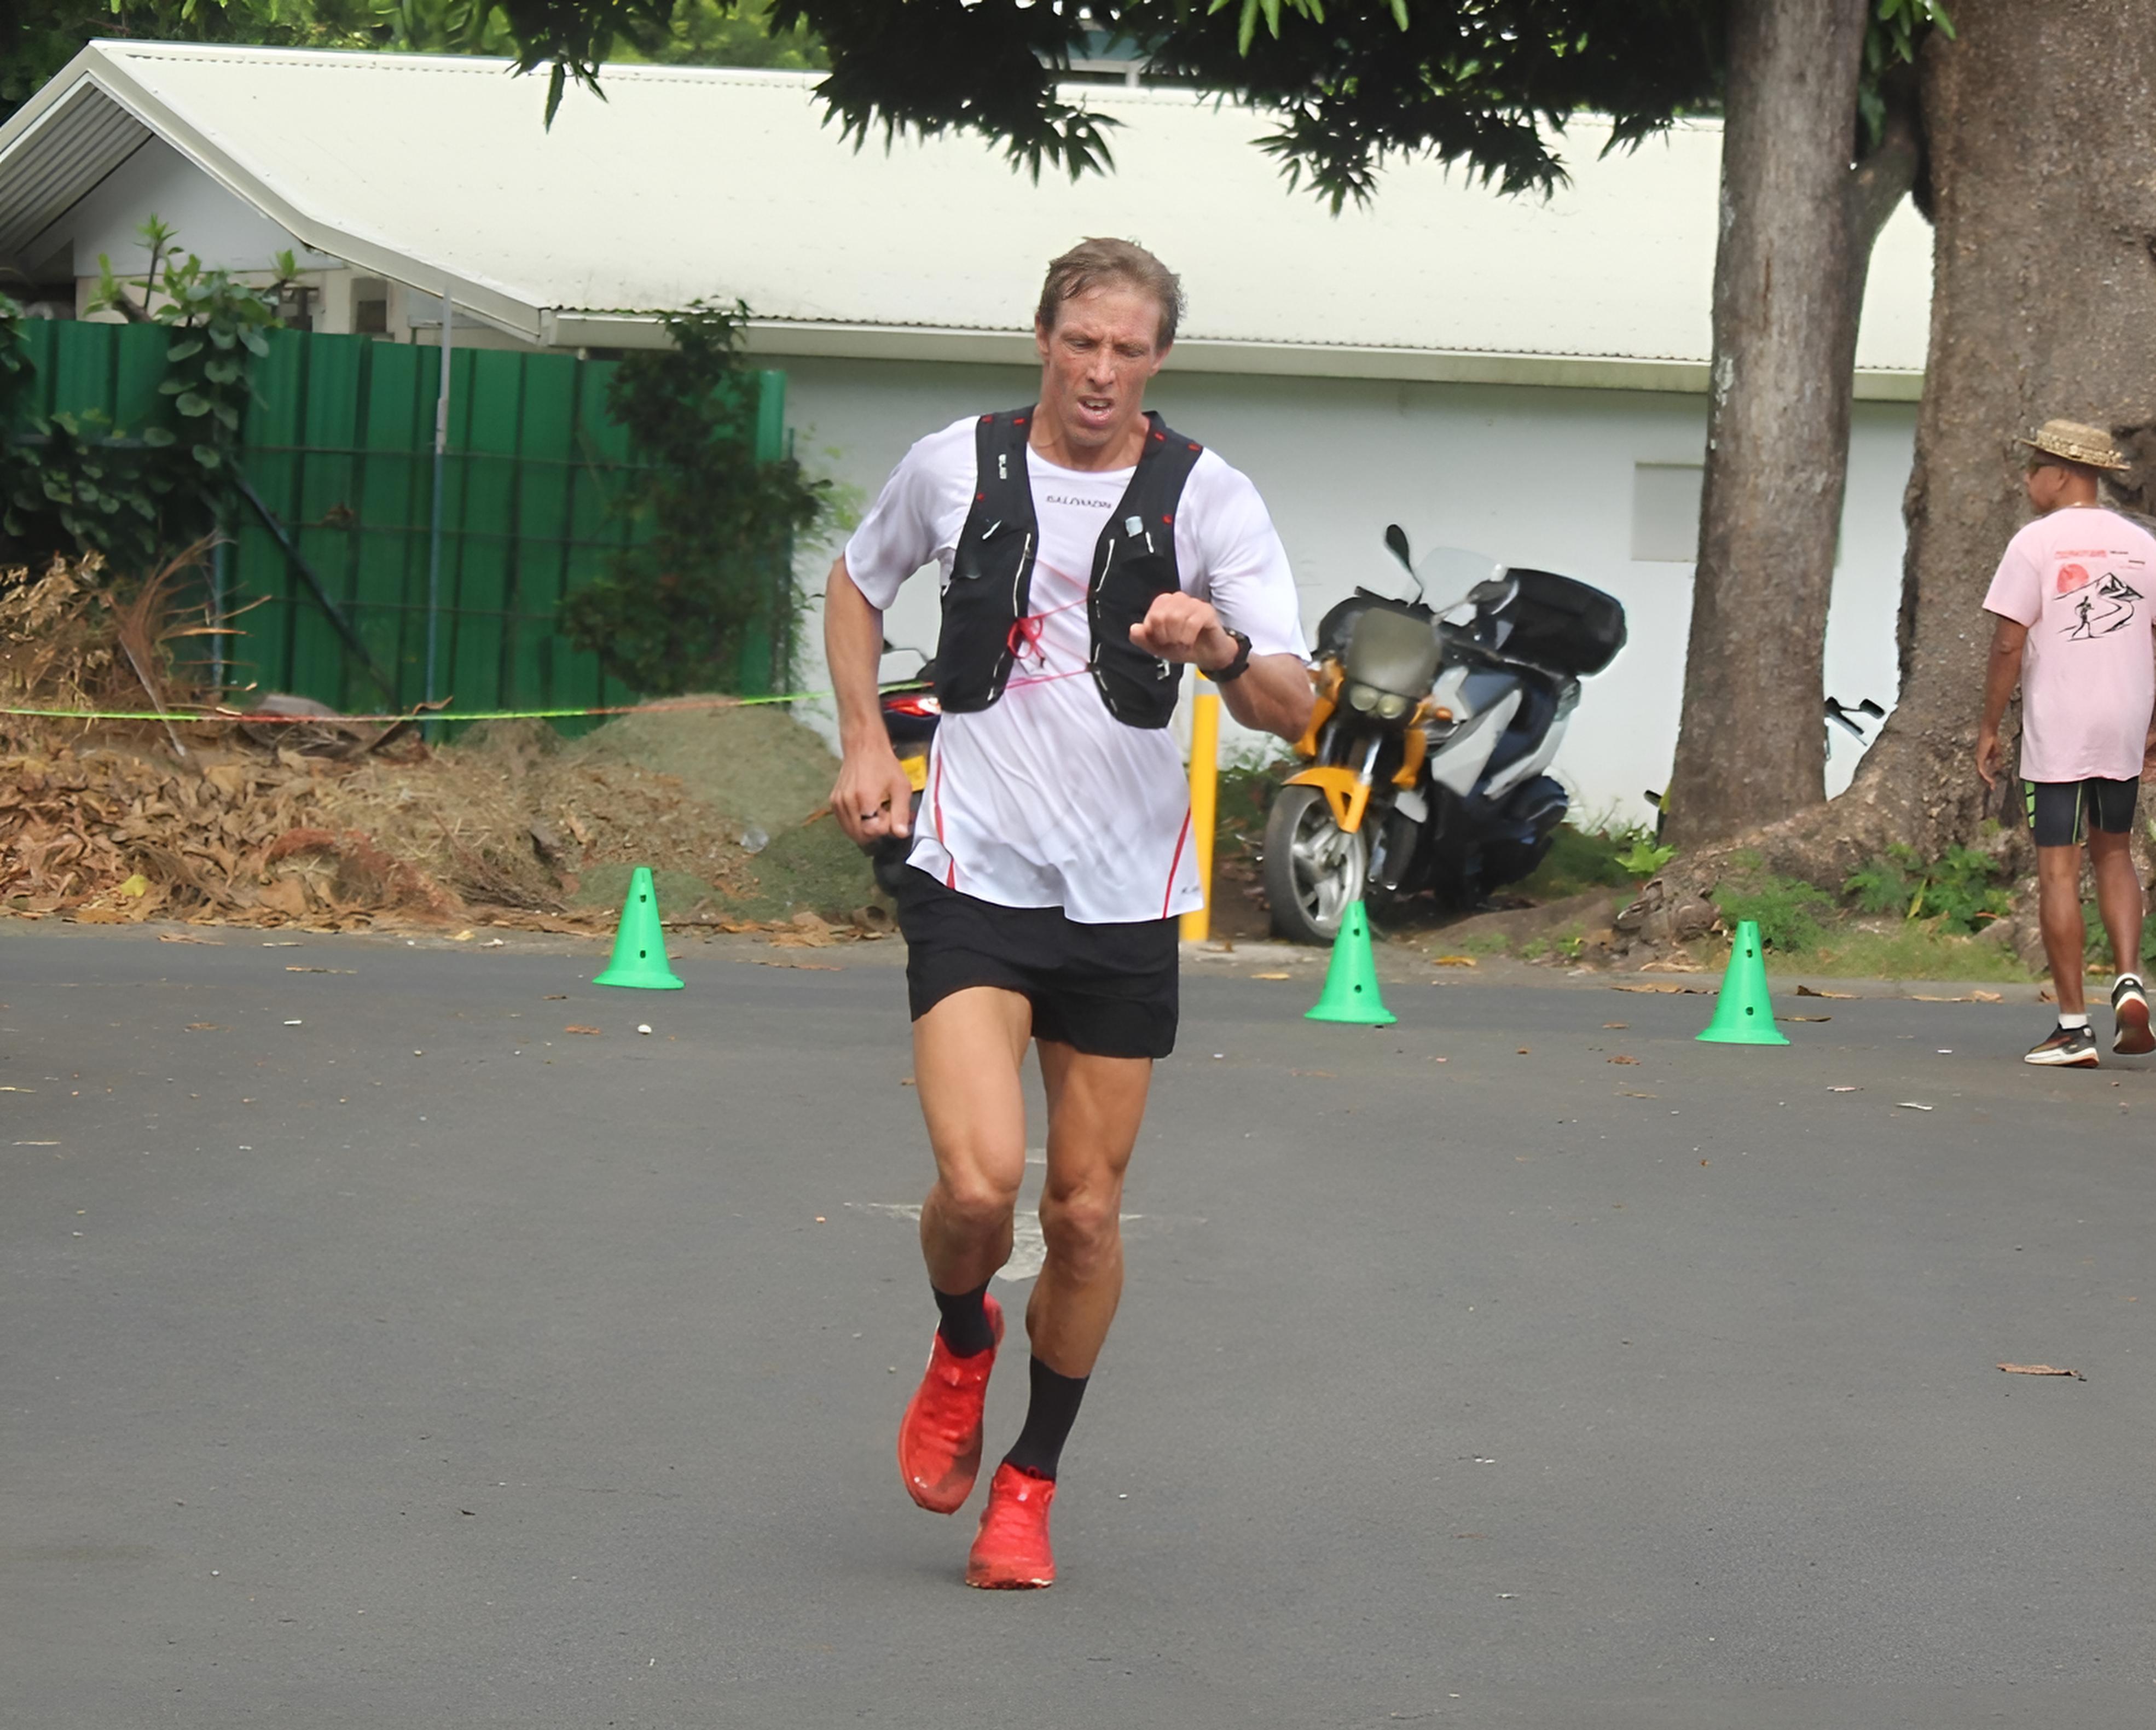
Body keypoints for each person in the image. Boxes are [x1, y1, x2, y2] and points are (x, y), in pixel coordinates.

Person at [825, 238, 1313, 1588]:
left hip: (1122, 897)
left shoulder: (1209, 497)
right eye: (1080, 341)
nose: (1100, 370)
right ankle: (960, 1340)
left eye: (1127, 349)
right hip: (971, 872)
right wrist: (864, 741)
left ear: (1159, 359)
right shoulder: (955, 464)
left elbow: (1291, 703)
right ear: (1041, 337)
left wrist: (1215, 644)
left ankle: (1028, 1483)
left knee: (1086, 1216)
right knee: (981, 1185)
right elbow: (857, 581)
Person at [1977, 418, 2156, 1066]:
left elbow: (2008, 643)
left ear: (2059, 475)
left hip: (2059, 724)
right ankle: (2130, 980)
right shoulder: (2142, 545)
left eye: (2033, 468)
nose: (2027, 479)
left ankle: (2074, 1028)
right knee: (2115, 855)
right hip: (2124, 719)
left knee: (2057, 867)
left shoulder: (2034, 543)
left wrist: (1988, 727)